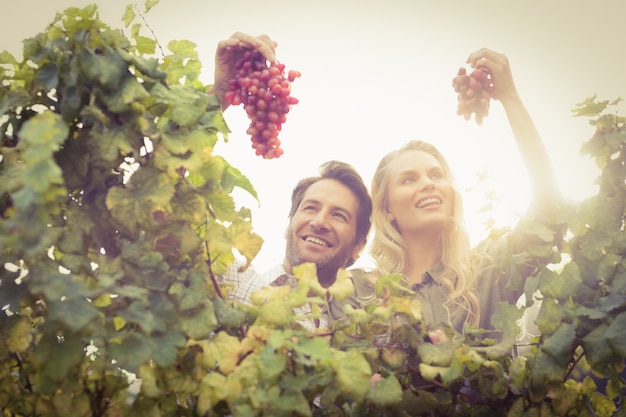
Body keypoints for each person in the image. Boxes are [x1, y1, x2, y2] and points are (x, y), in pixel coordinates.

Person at [359, 48, 562, 337]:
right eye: (408, 179)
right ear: (387, 208)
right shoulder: (363, 292)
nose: (428, 183)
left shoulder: (489, 270)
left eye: (436, 174)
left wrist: (510, 97)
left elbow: (549, 208)